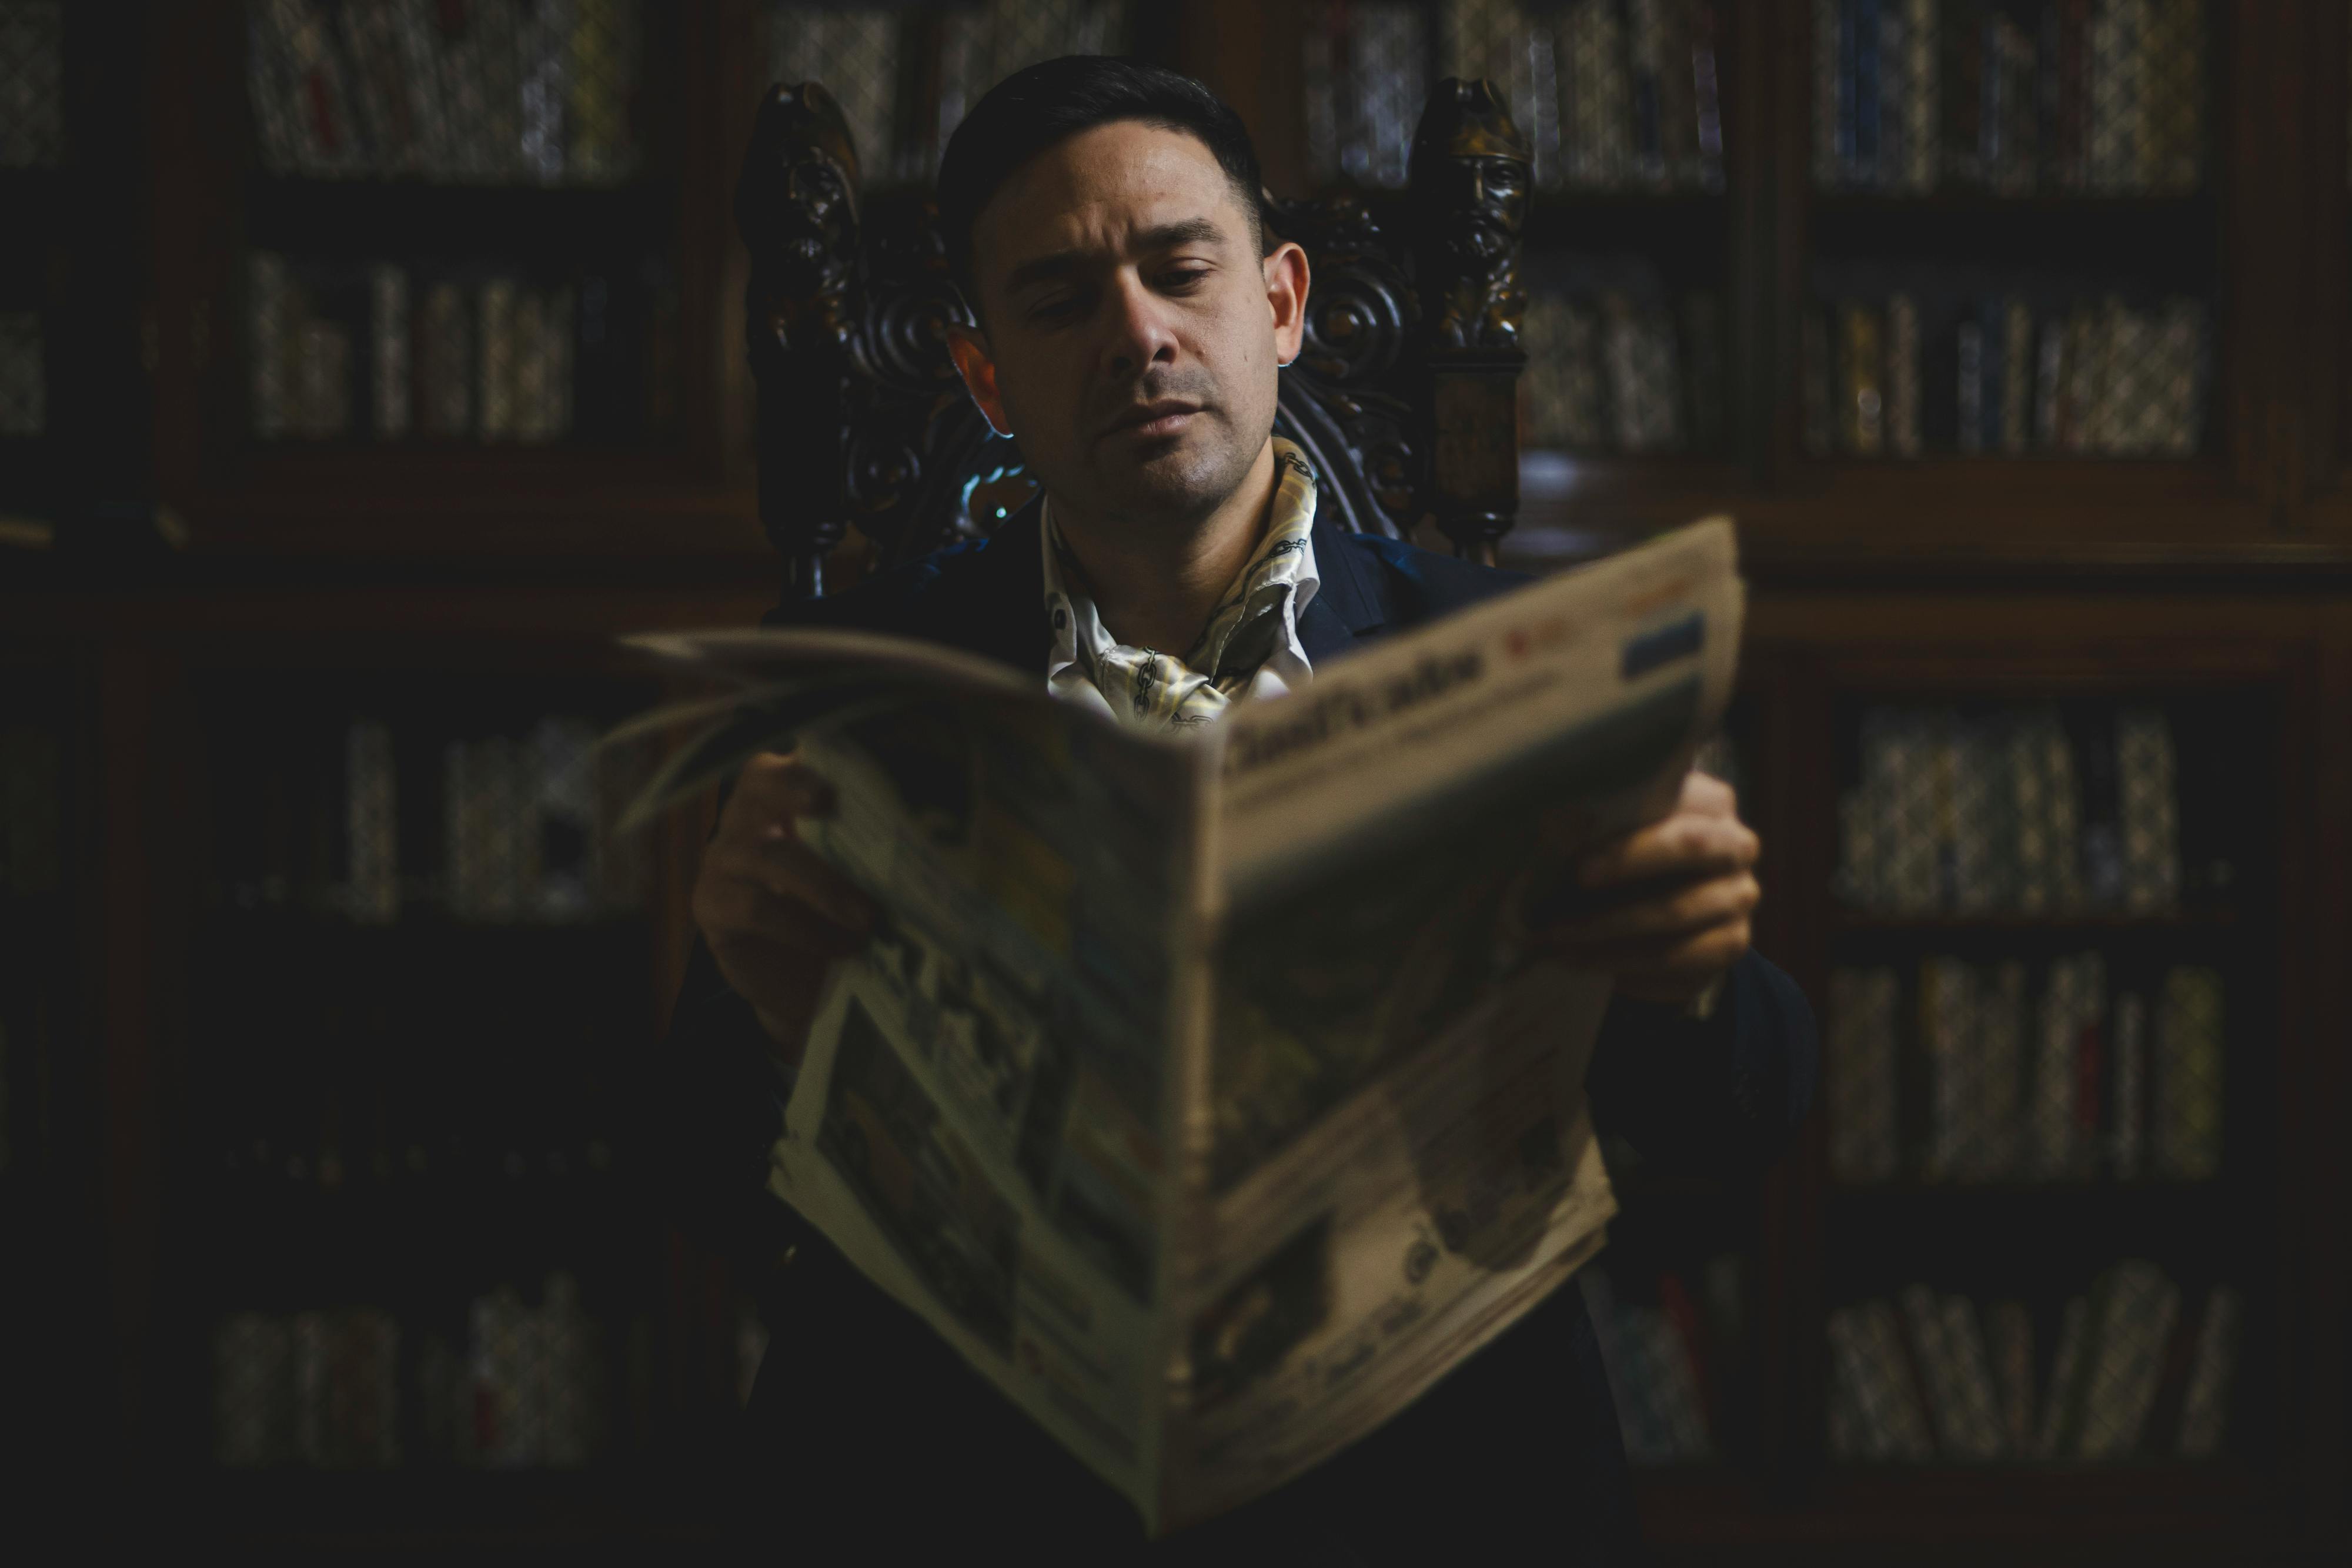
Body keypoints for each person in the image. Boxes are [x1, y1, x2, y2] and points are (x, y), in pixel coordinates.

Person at [646, 56, 1816, 1563]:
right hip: (968, 1476)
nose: (1137, 333)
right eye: (1059, 301)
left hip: (1422, 1480)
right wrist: (760, 999)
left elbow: (1748, 1114)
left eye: (1177, 268)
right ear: (986, 376)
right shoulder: (857, 690)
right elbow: (703, 1186)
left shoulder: (1517, 666)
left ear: (1277, 303)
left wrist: (1680, 970)